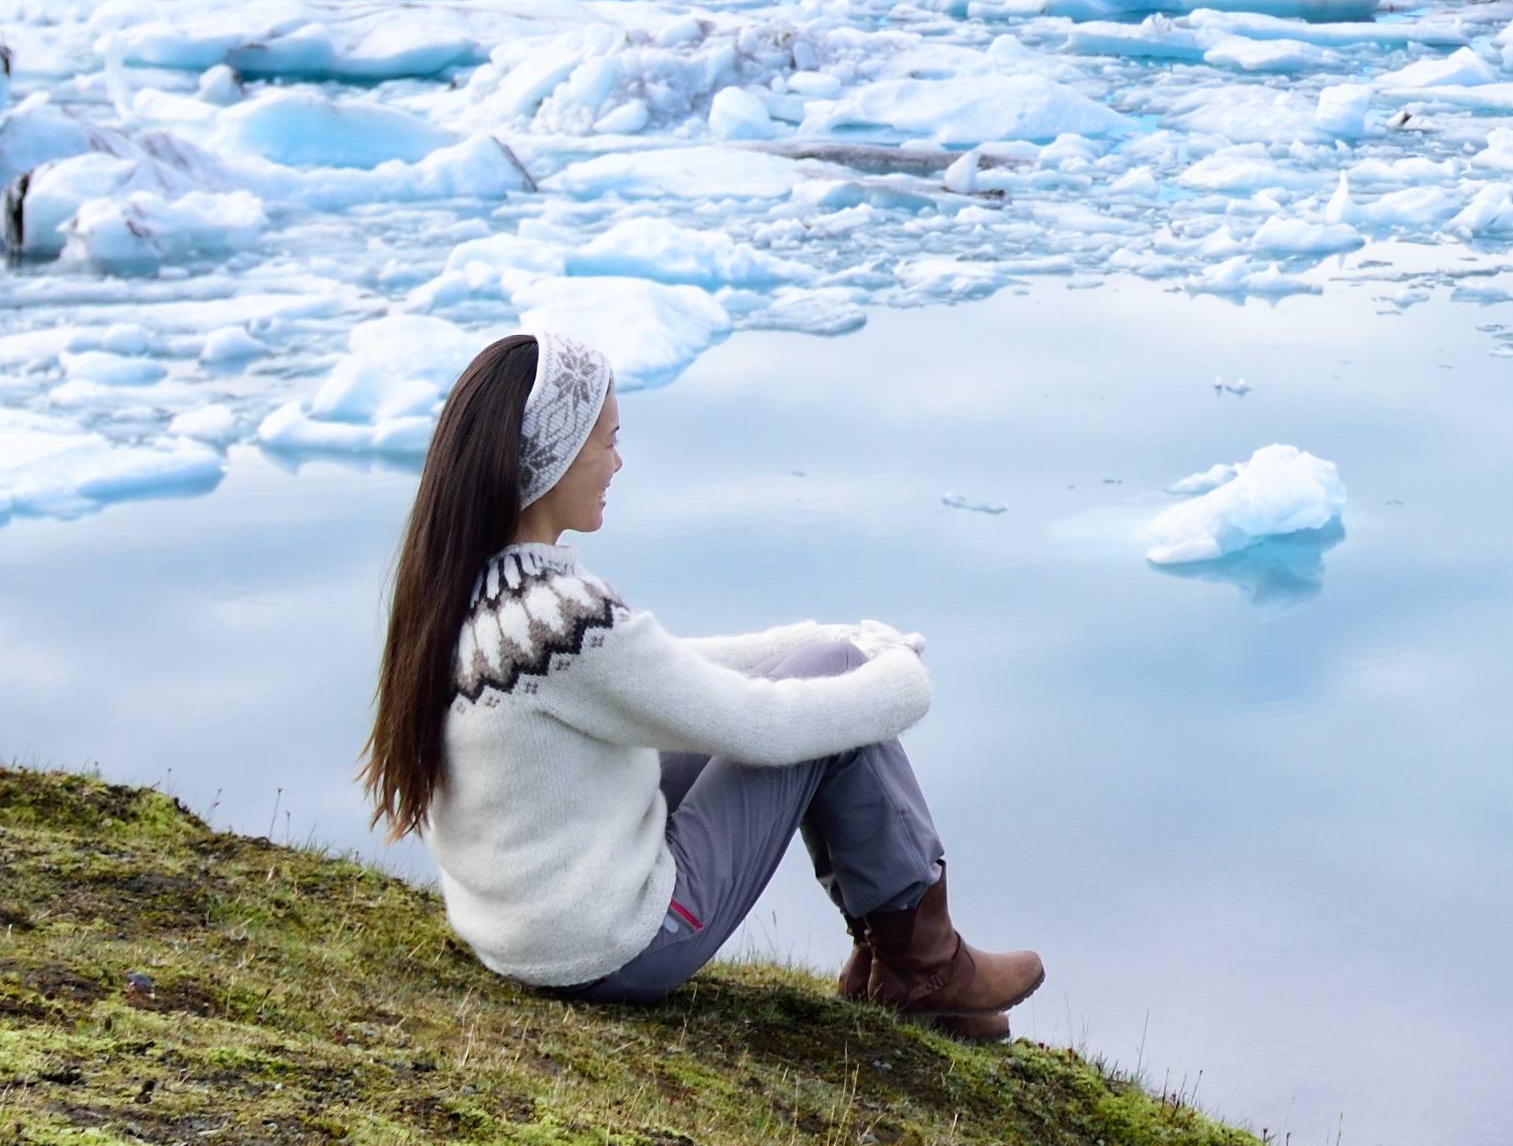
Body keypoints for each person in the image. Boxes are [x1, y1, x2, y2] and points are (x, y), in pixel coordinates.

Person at [356, 329, 1042, 1038]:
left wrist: (806, 643)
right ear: (556, 455)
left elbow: (660, 672)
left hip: (525, 936)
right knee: (832, 691)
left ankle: (905, 963)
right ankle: (922, 963)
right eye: (608, 441)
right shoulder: (562, 620)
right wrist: (899, 680)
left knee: (827, 663)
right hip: (620, 949)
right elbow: (759, 727)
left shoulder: (467, 589)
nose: (617, 463)